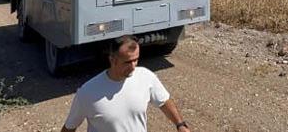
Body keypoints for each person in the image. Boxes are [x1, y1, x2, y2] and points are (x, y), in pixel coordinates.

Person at [61, 36, 191, 132]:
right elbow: (69, 128)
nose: (133, 66)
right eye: (128, 62)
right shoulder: (88, 92)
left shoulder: (145, 77)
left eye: (136, 60)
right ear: (112, 59)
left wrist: (180, 124)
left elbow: (164, 101)